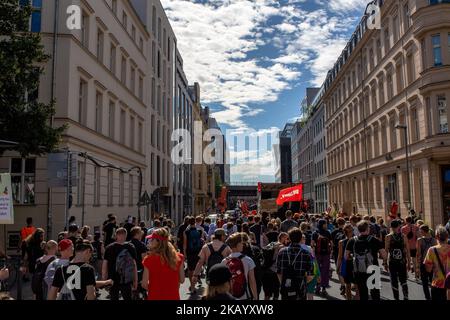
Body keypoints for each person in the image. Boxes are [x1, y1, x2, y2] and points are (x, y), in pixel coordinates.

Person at [345, 221, 387, 301]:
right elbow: (384, 256)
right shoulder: (375, 240)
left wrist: (353, 257)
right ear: (368, 229)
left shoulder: (352, 241)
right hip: (373, 269)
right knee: (375, 293)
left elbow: (346, 257)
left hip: (359, 270)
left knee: (363, 293)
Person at [142, 228, 185, 300]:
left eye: (152, 239)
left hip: (154, 296)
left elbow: (144, 284)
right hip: (173, 296)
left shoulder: (148, 259)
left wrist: (155, 288)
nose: (150, 241)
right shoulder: (179, 257)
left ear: (158, 242)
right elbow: (182, 280)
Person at [276, 228, 313, 300]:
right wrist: (302, 283)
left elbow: (278, 272)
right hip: (300, 290)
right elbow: (310, 275)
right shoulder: (306, 253)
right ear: (300, 239)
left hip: (286, 289)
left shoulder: (282, 252)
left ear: (289, 238)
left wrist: (285, 283)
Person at [102, 228, 138, 301]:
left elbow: (104, 266)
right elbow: (134, 265)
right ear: (126, 235)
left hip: (112, 279)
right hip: (126, 279)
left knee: (114, 298)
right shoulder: (130, 247)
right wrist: (135, 280)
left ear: (116, 235)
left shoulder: (109, 248)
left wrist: (104, 281)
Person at [223, 233, 258, 300]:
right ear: (238, 244)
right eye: (241, 243)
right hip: (245, 295)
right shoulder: (248, 260)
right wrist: (255, 297)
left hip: (230, 296)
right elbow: (252, 281)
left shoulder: (224, 261)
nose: (243, 245)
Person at [385, 219, 410, 300]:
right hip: (402, 261)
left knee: (394, 281)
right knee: (403, 280)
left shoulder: (388, 237)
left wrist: (385, 263)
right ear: (399, 226)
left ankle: (396, 298)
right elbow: (407, 251)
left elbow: (386, 251)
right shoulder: (404, 236)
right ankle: (406, 297)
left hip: (392, 262)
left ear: (391, 227)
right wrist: (409, 263)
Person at [424, 226, 450, 301]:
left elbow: (428, 269)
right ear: (447, 236)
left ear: (436, 237)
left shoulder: (432, 250)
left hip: (437, 284)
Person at [261, 232, 288, 300]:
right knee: (276, 294)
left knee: (267, 294)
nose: (288, 240)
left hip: (266, 270)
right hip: (275, 272)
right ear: (282, 238)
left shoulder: (271, 244)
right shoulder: (282, 247)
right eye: (287, 238)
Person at [183, 216, 205, 294]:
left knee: (190, 270)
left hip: (190, 252)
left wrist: (184, 254)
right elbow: (202, 241)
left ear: (188, 223)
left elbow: (185, 244)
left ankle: (192, 286)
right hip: (198, 252)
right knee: (197, 269)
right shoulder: (200, 231)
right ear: (195, 222)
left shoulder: (186, 232)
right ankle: (193, 285)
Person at [312, 219, 332, 296]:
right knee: (325, 270)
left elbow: (312, 244)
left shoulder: (315, 233)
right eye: (325, 224)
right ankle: (323, 288)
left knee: (317, 270)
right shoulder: (327, 232)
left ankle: (317, 287)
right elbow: (331, 244)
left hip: (317, 254)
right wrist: (330, 252)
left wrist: (313, 255)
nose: (326, 225)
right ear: (323, 224)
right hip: (326, 254)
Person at [416, 224, 436, 300]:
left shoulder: (419, 240)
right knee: (433, 282)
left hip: (423, 264)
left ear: (424, 231)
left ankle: (427, 298)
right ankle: (433, 297)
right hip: (433, 264)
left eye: (420, 231)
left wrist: (417, 266)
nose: (419, 232)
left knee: (424, 283)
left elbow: (418, 254)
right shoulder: (434, 240)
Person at [336, 224, 354, 300]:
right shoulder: (356, 240)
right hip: (355, 264)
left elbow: (340, 256)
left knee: (348, 285)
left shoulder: (341, 242)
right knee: (357, 285)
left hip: (346, 264)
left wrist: (338, 267)